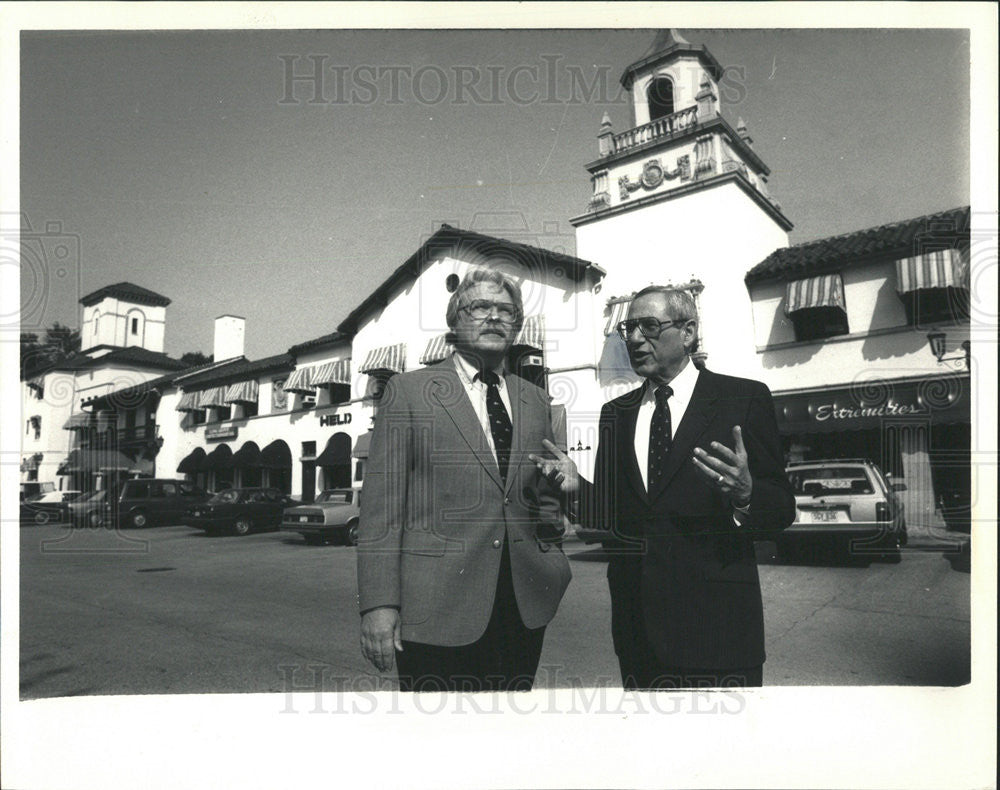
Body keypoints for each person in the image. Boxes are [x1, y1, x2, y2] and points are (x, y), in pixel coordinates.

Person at [531, 286, 794, 689]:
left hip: (720, 633)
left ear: (688, 332)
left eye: (649, 326)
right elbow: (612, 514)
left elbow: (781, 508)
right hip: (639, 636)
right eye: (628, 328)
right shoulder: (615, 414)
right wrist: (577, 487)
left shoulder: (742, 398)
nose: (635, 339)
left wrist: (746, 493)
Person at [357, 267, 572, 692]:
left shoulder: (535, 400)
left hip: (523, 609)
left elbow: (541, 501)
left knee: (510, 737)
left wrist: (556, 533)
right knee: (441, 746)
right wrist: (379, 606)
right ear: (455, 323)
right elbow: (381, 511)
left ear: (517, 326)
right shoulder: (409, 391)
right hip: (435, 614)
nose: (494, 317)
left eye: (506, 311)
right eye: (480, 308)